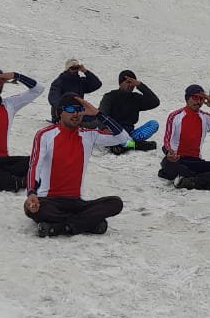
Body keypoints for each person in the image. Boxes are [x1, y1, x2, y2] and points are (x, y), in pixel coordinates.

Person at [24, 94, 132, 237]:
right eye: (70, 109)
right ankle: (85, 224)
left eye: (79, 109)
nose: (76, 113)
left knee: (115, 203)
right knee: (33, 209)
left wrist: (98, 114)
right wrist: (31, 193)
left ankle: (59, 227)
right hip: (49, 201)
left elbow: (124, 138)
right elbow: (34, 165)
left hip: (75, 202)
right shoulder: (45, 134)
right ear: (59, 113)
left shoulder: (88, 135)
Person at [158, 85, 210, 190]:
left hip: (196, 162)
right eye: (195, 97)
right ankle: (203, 181)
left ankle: (192, 180)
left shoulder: (205, 117)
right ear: (187, 99)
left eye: (201, 98)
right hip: (177, 160)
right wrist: (169, 152)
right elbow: (167, 139)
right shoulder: (175, 116)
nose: (199, 102)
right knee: (168, 163)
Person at [96, 69, 160, 153]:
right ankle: (132, 145)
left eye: (132, 83)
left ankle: (125, 145)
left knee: (154, 124)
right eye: (127, 82)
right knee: (116, 139)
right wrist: (104, 128)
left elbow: (155, 102)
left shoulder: (136, 98)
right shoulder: (110, 96)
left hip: (129, 135)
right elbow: (101, 113)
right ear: (120, 83)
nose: (130, 85)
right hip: (113, 134)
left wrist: (140, 85)